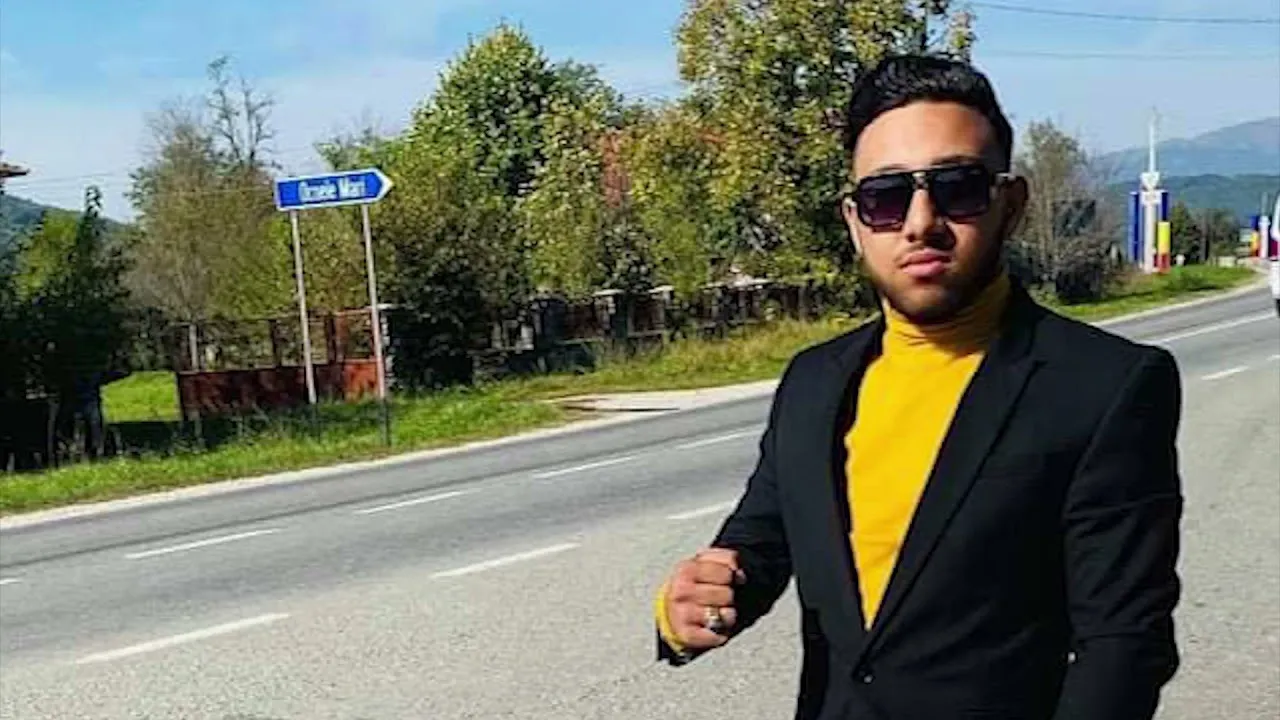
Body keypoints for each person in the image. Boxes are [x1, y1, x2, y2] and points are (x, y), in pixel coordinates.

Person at [653, 54, 1183, 720]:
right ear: (855, 221)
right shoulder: (813, 381)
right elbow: (757, 546)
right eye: (886, 196)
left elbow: (1123, 645)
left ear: (1010, 204)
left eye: (958, 188)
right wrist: (691, 604)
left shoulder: (1105, 386)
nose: (920, 222)